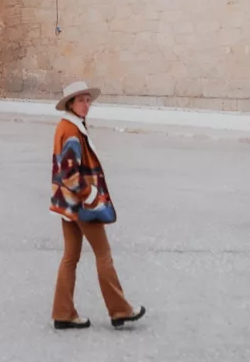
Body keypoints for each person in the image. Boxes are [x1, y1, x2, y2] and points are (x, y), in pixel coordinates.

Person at [50, 79, 146, 330]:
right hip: (82, 204)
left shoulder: (68, 126)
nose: (86, 104)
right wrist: (91, 195)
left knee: (70, 257)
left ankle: (63, 313)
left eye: (87, 100)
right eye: (80, 100)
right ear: (70, 104)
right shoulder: (70, 131)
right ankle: (120, 310)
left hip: (68, 205)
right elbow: (69, 173)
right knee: (103, 254)